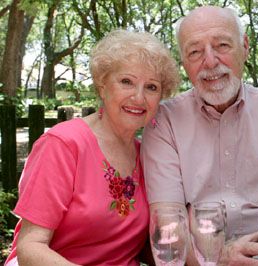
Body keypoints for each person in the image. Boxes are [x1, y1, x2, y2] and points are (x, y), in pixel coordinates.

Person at [141, 6, 258, 266]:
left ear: (245, 47)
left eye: (222, 45)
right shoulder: (165, 122)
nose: (210, 61)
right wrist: (222, 258)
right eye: (195, 51)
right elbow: (167, 227)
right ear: (184, 62)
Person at [5, 29, 180, 266]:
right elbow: (30, 248)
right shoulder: (63, 145)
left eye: (151, 87)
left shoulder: (147, 155)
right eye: (126, 81)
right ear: (102, 85)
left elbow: (139, 247)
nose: (139, 98)